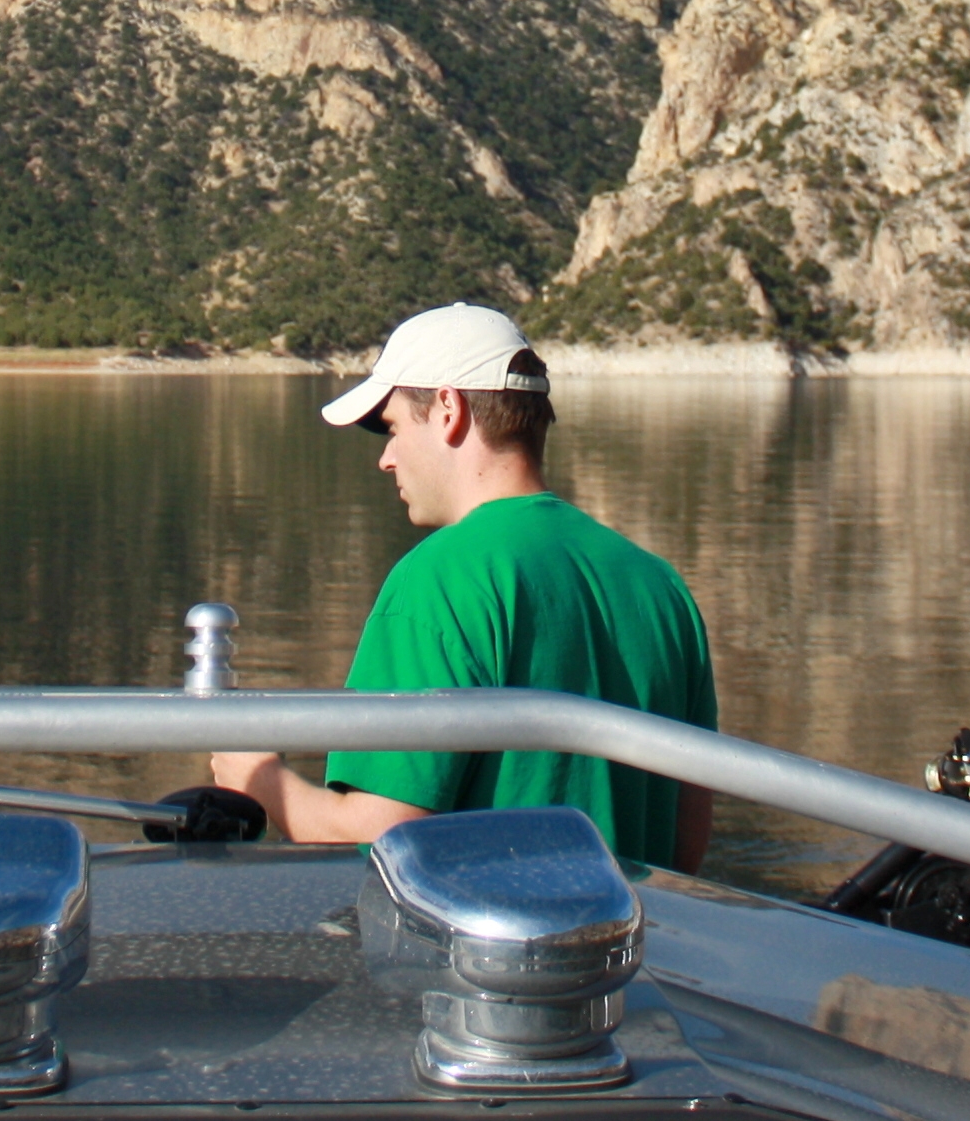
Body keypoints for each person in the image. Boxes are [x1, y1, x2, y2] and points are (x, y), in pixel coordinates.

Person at [209, 302, 719, 872]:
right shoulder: (662, 588)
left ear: (448, 410)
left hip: (485, 958)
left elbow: (382, 840)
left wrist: (259, 779)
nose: (385, 458)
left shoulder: (438, 582)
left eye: (392, 427)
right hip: (630, 951)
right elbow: (686, 846)